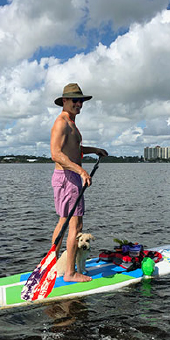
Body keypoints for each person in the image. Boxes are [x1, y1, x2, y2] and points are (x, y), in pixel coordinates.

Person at [50, 83, 108, 282]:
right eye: (74, 100)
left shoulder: (71, 123)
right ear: (64, 101)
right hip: (68, 177)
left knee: (65, 221)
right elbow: (55, 154)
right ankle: (70, 273)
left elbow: (74, 150)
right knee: (76, 223)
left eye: (81, 101)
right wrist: (81, 171)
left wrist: (95, 150)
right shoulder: (62, 123)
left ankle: (51, 264)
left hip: (69, 177)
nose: (79, 104)